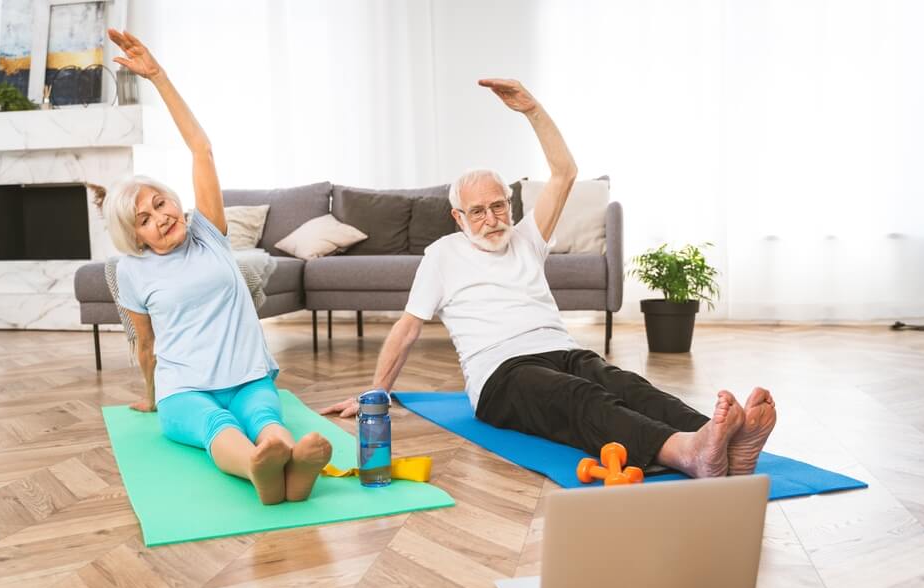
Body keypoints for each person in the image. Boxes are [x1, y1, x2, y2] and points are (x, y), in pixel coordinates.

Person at [322, 79, 777, 478]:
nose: (491, 218)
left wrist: (532, 111)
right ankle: (687, 454)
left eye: (498, 205)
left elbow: (564, 173)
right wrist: (375, 393)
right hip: (501, 373)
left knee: (625, 385)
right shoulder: (442, 254)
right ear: (458, 217)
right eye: (477, 212)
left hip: (562, 350)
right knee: (580, 398)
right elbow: (408, 327)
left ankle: (721, 438)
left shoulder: (527, 238)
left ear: (510, 204)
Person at [102, 29, 330, 505]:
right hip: (184, 390)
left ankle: (292, 464)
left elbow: (201, 148)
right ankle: (259, 469)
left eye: (161, 203)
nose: (161, 217)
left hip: (247, 376)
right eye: (144, 219)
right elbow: (145, 344)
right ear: (135, 235)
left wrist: (158, 77)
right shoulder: (131, 271)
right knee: (217, 426)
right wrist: (150, 395)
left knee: (267, 417)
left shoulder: (208, 233)